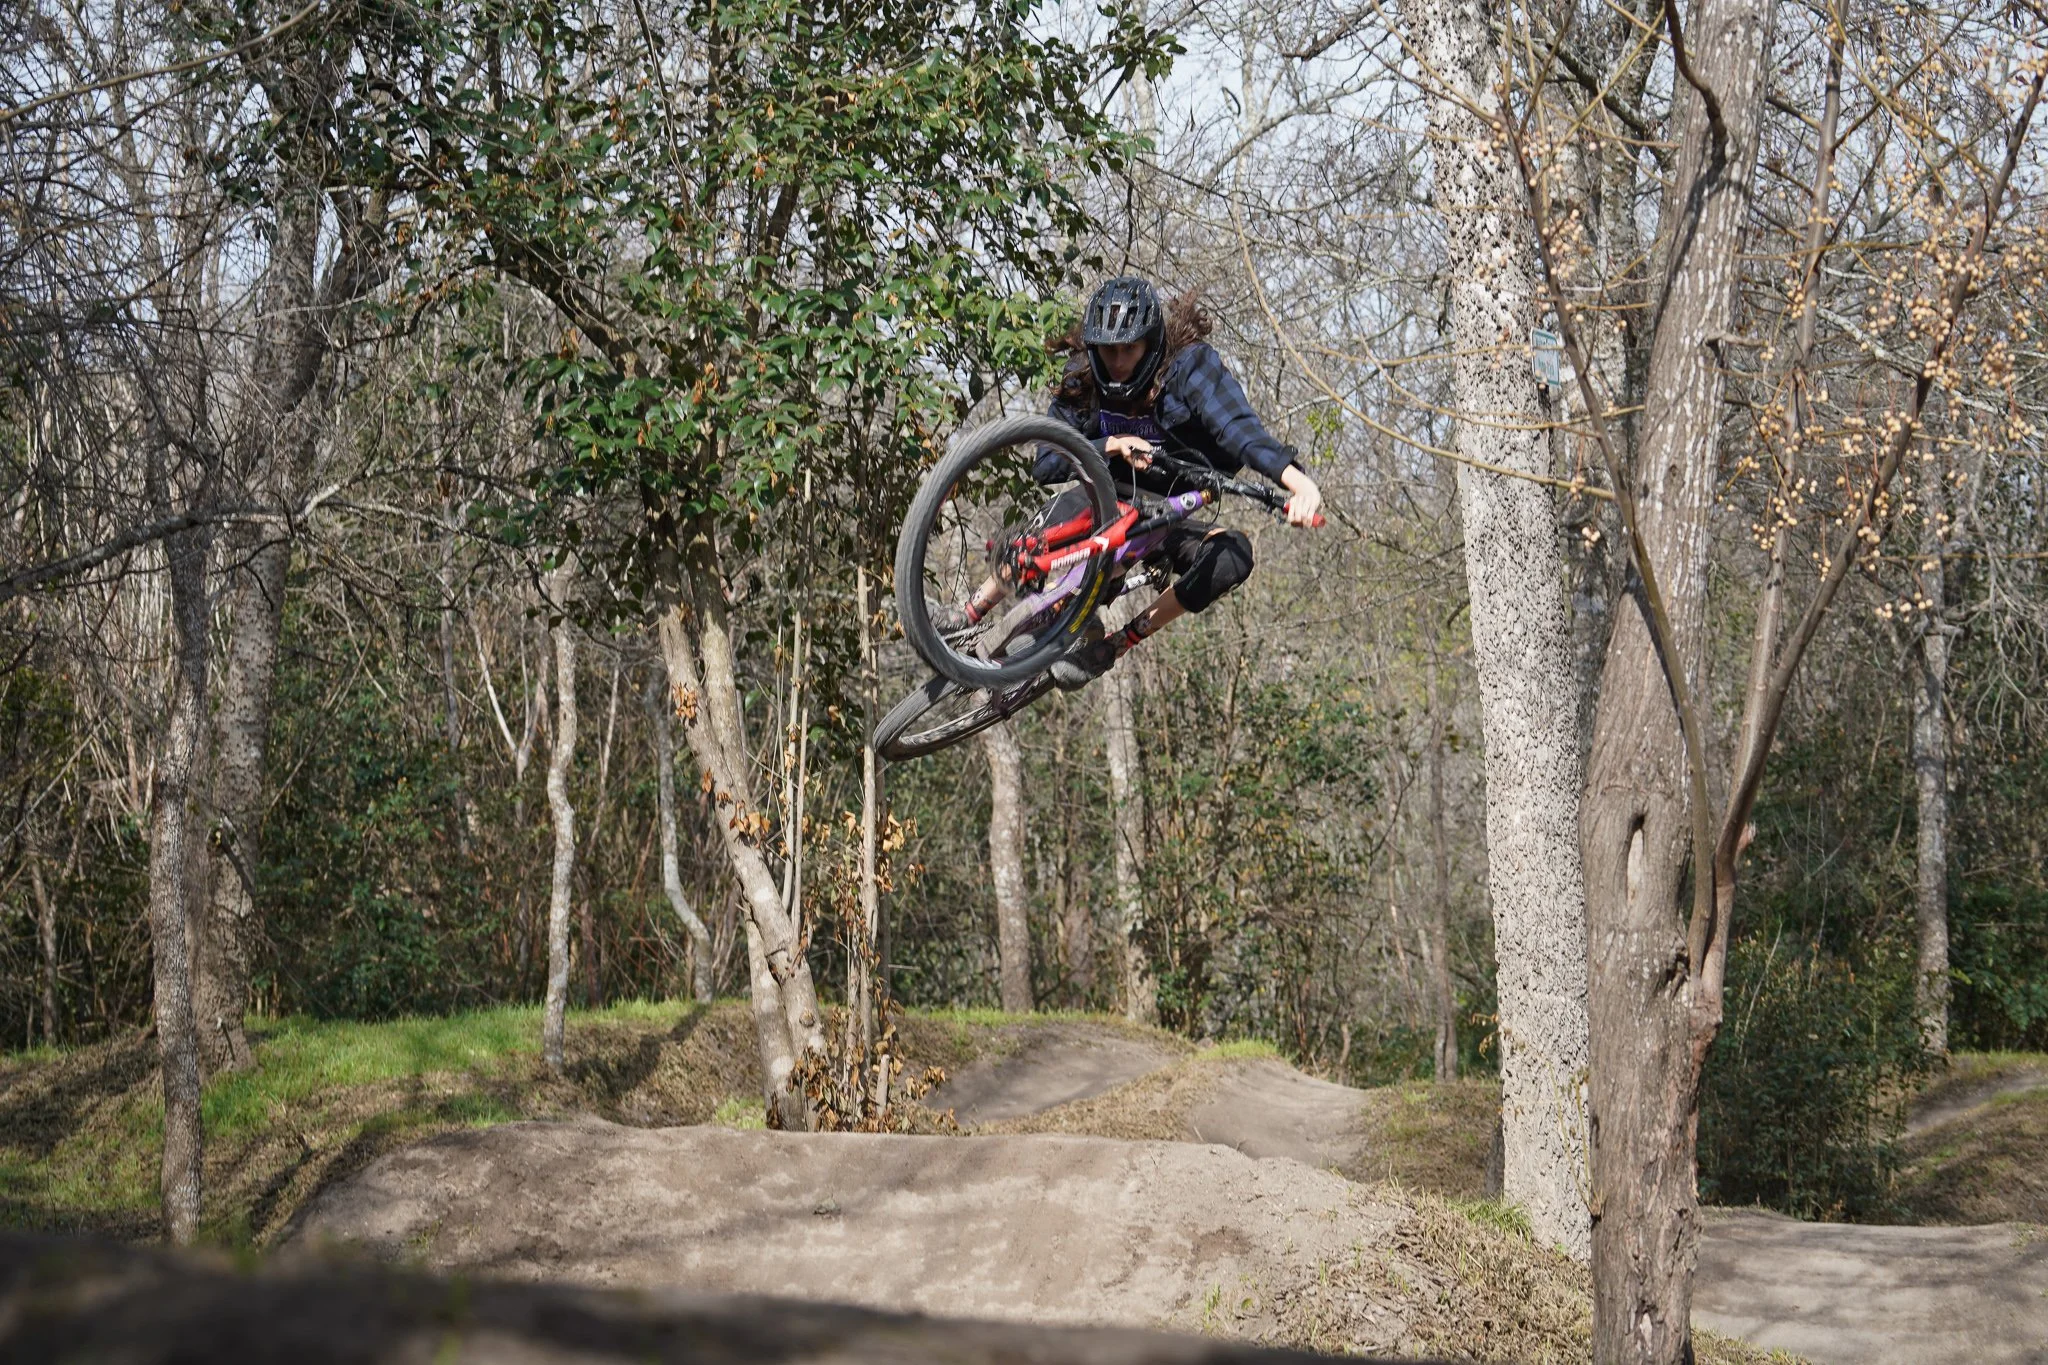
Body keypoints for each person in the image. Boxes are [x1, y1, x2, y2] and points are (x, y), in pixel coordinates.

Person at [1033, 275, 1323, 689]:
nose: (1117, 362)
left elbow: (1238, 430)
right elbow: (1045, 464)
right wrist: (1111, 444)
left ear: (1150, 343)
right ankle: (967, 614)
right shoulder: (1083, 375)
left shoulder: (1189, 368)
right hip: (1100, 499)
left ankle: (1114, 645)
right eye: (1108, 351)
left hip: (1170, 514)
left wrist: (1297, 483)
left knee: (1233, 553)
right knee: (1039, 536)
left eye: (1128, 350)